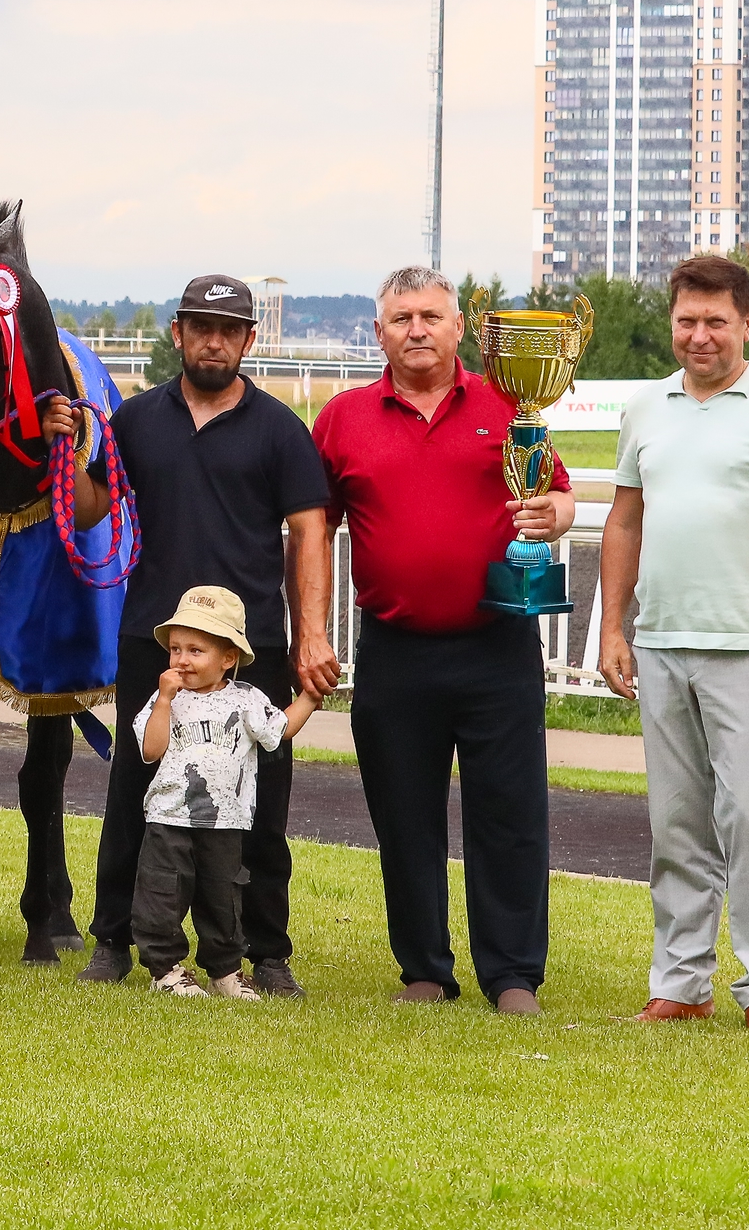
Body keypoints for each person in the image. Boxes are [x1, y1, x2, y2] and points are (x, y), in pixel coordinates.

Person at [310, 266, 574, 1014]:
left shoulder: (512, 403)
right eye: (401, 318)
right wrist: (311, 629)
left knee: (511, 815)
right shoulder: (342, 419)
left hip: (498, 645)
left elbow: (557, 491)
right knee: (404, 815)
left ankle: (513, 973)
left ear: (461, 328)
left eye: (431, 315)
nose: (417, 329)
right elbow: (314, 526)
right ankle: (423, 967)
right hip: (394, 648)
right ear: (379, 334)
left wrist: (553, 515)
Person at [73, 275, 335, 999]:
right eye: (200, 326)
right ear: (178, 333)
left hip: (251, 650)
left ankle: (266, 949)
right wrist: (70, 453)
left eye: (229, 328)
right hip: (153, 634)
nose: (213, 340)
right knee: (135, 784)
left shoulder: (280, 428)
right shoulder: (134, 421)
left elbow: (310, 530)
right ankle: (113, 938)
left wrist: (311, 633)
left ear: (250, 339)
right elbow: (94, 505)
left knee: (260, 801)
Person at [596, 256, 749, 1030]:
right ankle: (681, 981)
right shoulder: (646, 408)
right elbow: (624, 521)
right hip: (661, 643)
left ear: (747, 322)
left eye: (715, 322)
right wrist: (612, 627)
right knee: (676, 822)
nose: (699, 336)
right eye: (687, 321)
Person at [131, 587, 315, 1001]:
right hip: (168, 817)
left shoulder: (246, 700)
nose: (181, 659)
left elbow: (279, 730)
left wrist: (311, 697)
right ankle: (165, 969)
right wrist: (163, 700)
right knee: (161, 894)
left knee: (223, 897)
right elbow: (151, 749)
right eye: (175, 648)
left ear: (228, 657)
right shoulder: (166, 700)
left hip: (224, 821)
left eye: (196, 650)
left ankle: (225, 971)